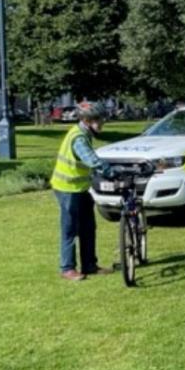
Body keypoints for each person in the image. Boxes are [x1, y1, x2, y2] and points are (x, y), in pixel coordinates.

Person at [50, 101, 114, 281]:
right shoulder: (78, 137)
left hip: (80, 188)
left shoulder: (83, 133)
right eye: (99, 119)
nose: (102, 123)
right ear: (87, 120)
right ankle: (67, 268)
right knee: (70, 229)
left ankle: (90, 265)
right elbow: (91, 160)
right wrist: (110, 171)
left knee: (88, 227)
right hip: (67, 189)